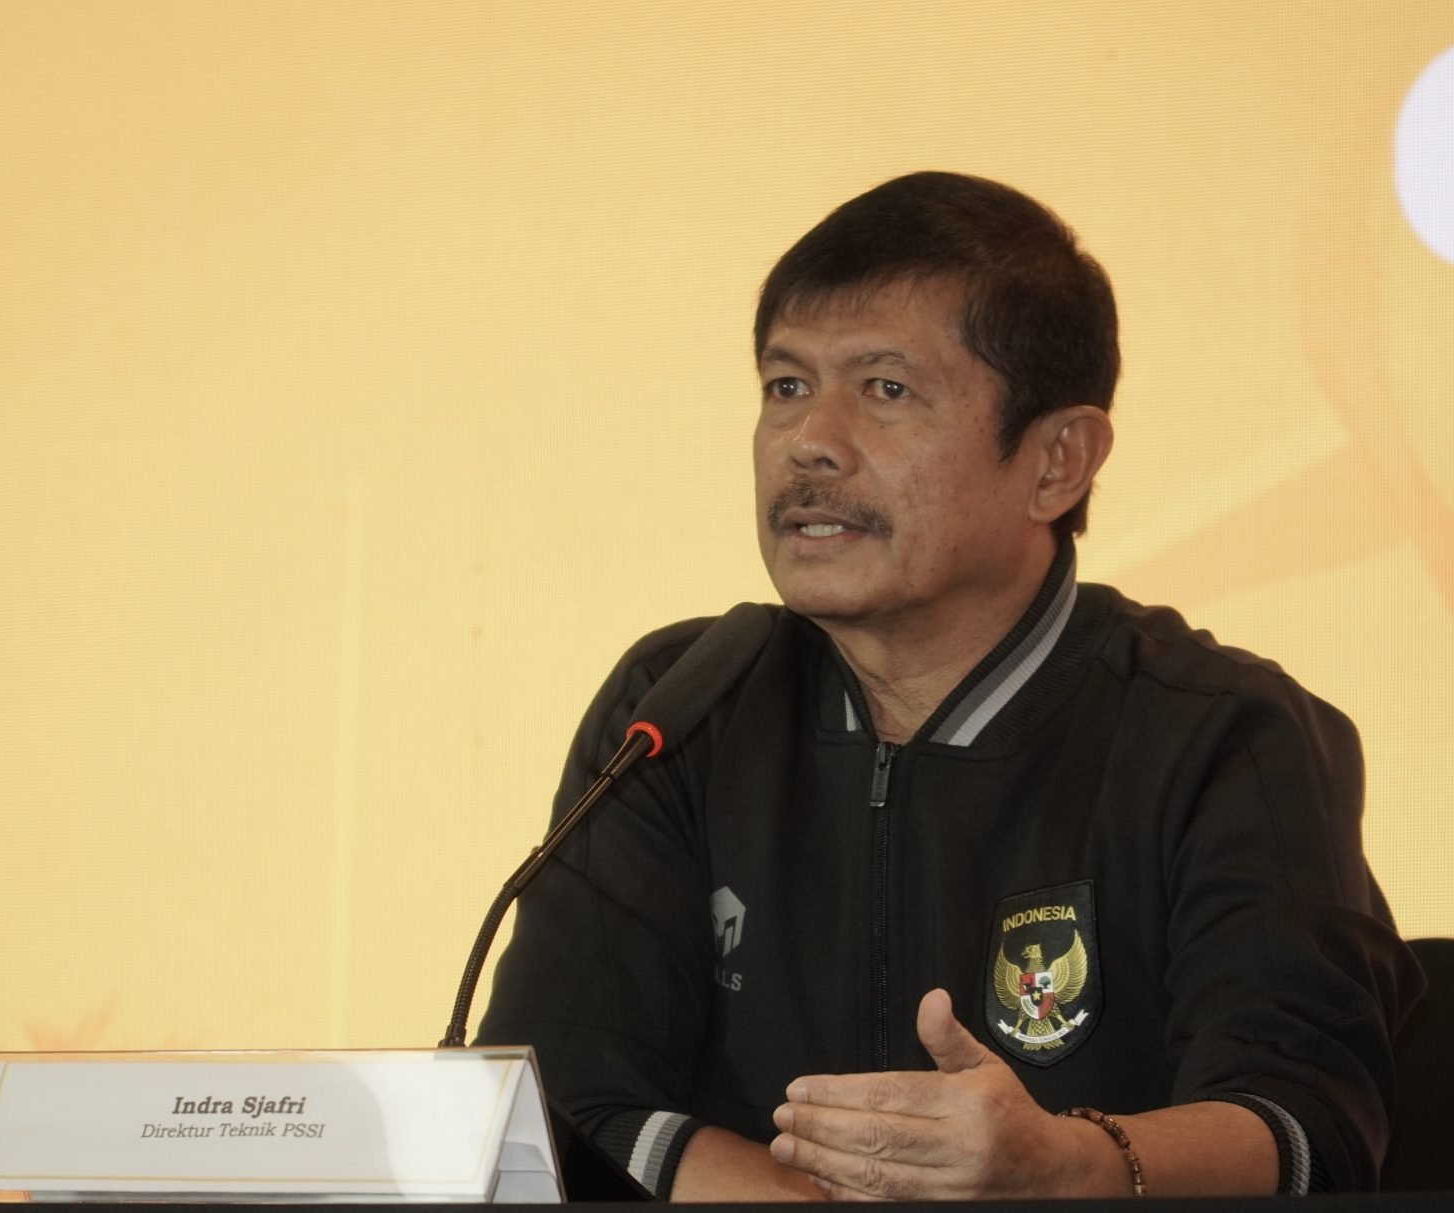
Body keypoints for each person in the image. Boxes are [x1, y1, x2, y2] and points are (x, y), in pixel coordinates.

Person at [476, 172, 1422, 1200]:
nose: (809, 440)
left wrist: (1067, 1166)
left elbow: (1307, 1125)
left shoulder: (1224, 737)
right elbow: (548, 1100)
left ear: (1058, 462)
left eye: (885, 389)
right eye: (786, 385)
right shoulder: (680, 708)